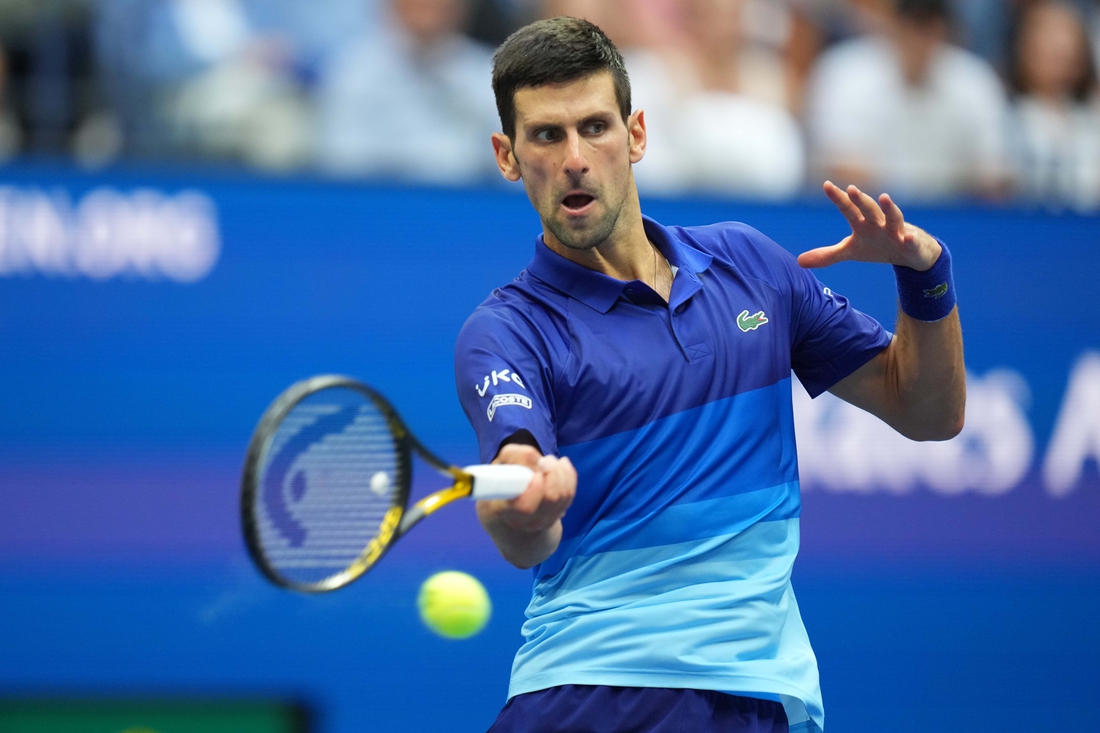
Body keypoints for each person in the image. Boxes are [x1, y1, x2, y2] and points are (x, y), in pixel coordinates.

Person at [454, 16, 964, 733]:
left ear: (635, 134)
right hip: (594, 695)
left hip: (764, 696)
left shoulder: (750, 266)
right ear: (508, 155)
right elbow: (517, 499)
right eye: (546, 135)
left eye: (594, 127)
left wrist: (925, 274)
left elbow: (928, 410)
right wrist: (527, 511)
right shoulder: (506, 331)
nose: (574, 157)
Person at [804, 0, 1010, 201]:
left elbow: (994, 172)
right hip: (868, 214)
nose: (919, 42)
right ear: (893, 26)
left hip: (955, 217)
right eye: (912, 27)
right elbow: (837, 165)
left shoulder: (976, 82)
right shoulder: (844, 72)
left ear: (947, 32)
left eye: (929, 30)